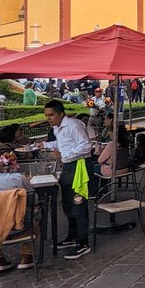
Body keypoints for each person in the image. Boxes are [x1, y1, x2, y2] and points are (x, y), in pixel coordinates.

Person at [36, 100, 94, 259]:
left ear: (61, 114)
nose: (49, 118)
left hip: (80, 166)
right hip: (68, 168)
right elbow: (63, 143)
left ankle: (83, 243)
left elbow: (86, 146)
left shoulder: (74, 125)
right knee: (68, 203)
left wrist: (64, 155)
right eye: (46, 115)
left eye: (51, 115)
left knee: (78, 203)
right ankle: (72, 236)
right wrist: (46, 145)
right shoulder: (57, 128)